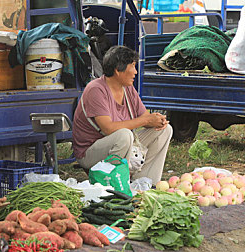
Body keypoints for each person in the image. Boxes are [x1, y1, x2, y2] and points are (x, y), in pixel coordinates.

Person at [72, 45, 173, 185]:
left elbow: (144, 117)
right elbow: (108, 128)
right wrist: (145, 120)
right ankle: (113, 183)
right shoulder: (96, 90)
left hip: (119, 145)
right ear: (118, 70)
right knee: (124, 135)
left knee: (165, 131)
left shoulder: (128, 88)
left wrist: (157, 120)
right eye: (132, 66)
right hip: (90, 153)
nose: (136, 72)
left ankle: (145, 183)